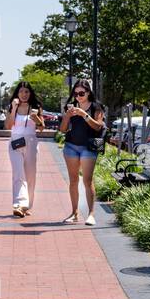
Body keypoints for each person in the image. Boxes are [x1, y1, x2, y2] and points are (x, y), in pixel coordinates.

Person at [59, 80, 106, 226]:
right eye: (76, 93)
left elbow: (98, 127)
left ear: (88, 92)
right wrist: (67, 115)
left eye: (82, 93)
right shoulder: (71, 107)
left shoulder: (96, 107)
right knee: (73, 180)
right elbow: (62, 129)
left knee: (87, 180)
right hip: (71, 146)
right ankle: (74, 213)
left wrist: (84, 115)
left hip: (88, 146)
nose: (78, 96)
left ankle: (91, 214)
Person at [6, 81, 45, 217]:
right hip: (15, 142)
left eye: (27, 92)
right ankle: (18, 204)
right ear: (17, 93)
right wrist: (13, 108)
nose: (24, 94)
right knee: (18, 174)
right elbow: (8, 125)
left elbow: (41, 128)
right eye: (21, 91)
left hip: (31, 142)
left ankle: (27, 206)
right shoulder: (12, 107)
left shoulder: (36, 107)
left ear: (30, 93)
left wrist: (36, 118)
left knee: (30, 176)